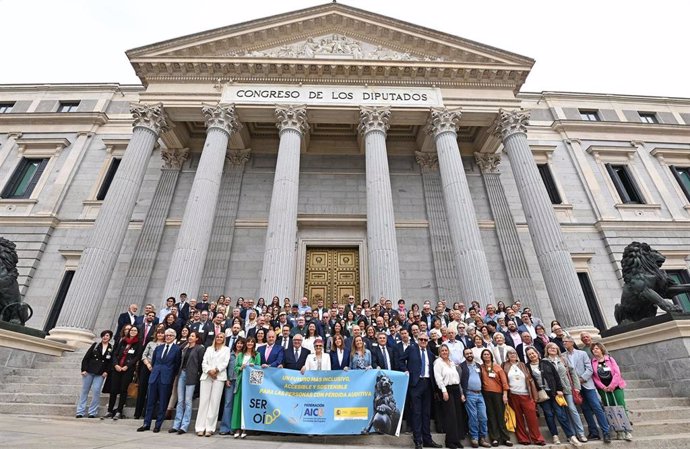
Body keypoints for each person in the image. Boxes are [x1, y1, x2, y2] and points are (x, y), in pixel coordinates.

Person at [525, 347, 581, 447]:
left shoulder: (546, 363)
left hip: (554, 392)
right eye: (529, 354)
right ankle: (555, 436)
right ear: (528, 357)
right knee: (549, 415)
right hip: (542, 394)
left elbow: (556, 376)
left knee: (561, 414)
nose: (532, 355)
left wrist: (559, 389)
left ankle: (571, 436)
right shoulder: (527, 367)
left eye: (533, 353)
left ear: (537, 353)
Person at [563, 336, 611, 443]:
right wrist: (575, 384)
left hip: (587, 384)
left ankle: (606, 431)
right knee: (585, 409)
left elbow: (589, 368)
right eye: (563, 342)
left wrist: (581, 379)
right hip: (575, 388)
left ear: (571, 342)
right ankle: (593, 432)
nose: (564, 343)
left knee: (597, 407)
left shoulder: (582, 354)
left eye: (566, 341)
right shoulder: (563, 356)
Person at [401, 331, 441, 449]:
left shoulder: (430, 353)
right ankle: (418, 440)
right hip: (416, 384)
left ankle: (427, 439)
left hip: (428, 385)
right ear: (417, 340)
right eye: (421, 339)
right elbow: (400, 360)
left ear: (428, 341)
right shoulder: (411, 349)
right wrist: (405, 370)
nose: (423, 341)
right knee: (417, 413)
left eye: (425, 340)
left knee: (426, 414)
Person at [137, 328, 182, 433]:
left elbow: (177, 365)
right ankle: (146, 423)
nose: (168, 337)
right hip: (154, 376)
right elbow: (154, 362)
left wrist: (169, 374)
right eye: (167, 335)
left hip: (166, 378)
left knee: (162, 402)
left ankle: (158, 425)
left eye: (170, 335)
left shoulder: (177, 349)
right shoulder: (159, 348)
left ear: (174, 337)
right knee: (150, 401)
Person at [543, 342, 587, 443]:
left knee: (572, 409)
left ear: (558, 349)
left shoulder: (563, 359)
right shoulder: (545, 361)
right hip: (555, 391)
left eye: (555, 348)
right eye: (550, 348)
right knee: (563, 413)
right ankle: (571, 434)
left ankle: (580, 433)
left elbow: (573, 373)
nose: (552, 349)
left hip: (567, 388)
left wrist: (577, 387)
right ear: (547, 350)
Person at [501, 347, 545, 446]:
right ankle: (523, 439)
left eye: (514, 353)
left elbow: (530, 380)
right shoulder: (504, 365)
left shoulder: (523, 365)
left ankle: (537, 438)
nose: (512, 355)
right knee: (518, 418)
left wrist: (534, 395)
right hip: (513, 395)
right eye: (510, 354)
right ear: (507, 356)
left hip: (526, 394)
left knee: (532, 418)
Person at [591, 342, 632, 441]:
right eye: (593, 349)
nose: (595, 350)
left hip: (616, 386)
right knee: (610, 408)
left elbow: (617, 373)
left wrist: (612, 385)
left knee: (620, 406)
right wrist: (602, 387)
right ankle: (618, 431)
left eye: (597, 348)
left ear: (601, 349)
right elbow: (594, 377)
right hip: (603, 389)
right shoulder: (593, 362)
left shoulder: (610, 359)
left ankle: (627, 430)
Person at [194, 332, 230, 437]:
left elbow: (225, 362)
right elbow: (204, 362)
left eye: (221, 337)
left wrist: (216, 370)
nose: (219, 338)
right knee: (203, 402)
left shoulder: (226, 349)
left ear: (224, 339)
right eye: (218, 336)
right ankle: (200, 427)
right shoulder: (209, 349)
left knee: (214, 403)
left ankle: (209, 428)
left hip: (219, 377)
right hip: (206, 376)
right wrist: (209, 371)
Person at [169, 330, 204, 434]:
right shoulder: (184, 348)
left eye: (192, 336)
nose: (190, 337)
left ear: (197, 338)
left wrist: (198, 375)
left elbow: (200, 363)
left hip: (191, 375)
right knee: (180, 401)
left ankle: (184, 426)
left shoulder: (200, 348)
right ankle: (176, 425)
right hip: (182, 374)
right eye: (190, 336)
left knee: (188, 401)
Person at [433, 343, 466, 449]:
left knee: (457, 415)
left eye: (446, 350)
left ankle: (456, 440)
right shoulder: (438, 363)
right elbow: (438, 378)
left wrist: (461, 393)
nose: (444, 352)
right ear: (439, 352)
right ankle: (449, 441)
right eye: (442, 351)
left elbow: (457, 379)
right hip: (447, 390)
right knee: (450, 416)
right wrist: (444, 391)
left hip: (456, 389)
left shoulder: (452, 363)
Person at [104, 325, 141, 419]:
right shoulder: (123, 341)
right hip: (117, 368)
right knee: (113, 390)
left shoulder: (139, 343)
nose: (133, 331)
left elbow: (137, 357)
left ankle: (119, 411)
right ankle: (109, 410)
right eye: (131, 330)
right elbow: (115, 354)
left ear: (137, 333)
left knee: (123, 390)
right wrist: (115, 364)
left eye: (135, 330)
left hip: (127, 370)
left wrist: (127, 366)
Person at [77, 330, 113, 419]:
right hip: (89, 370)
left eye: (107, 336)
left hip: (100, 373)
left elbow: (110, 362)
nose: (105, 337)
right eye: (104, 335)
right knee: (85, 391)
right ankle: (80, 411)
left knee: (96, 391)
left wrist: (106, 371)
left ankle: (92, 412)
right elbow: (86, 357)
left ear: (110, 337)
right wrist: (83, 369)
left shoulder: (111, 348)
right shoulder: (95, 345)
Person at [479, 349, 512, 447]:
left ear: (491, 356)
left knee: (500, 415)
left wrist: (505, 394)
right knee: (491, 416)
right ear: (482, 356)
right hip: (486, 394)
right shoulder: (481, 367)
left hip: (498, 393)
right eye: (484, 354)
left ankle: (505, 438)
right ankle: (495, 438)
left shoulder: (497, 367)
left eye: (488, 354)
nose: (486, 356)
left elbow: (504, 382)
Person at [459, 347, 491, 448]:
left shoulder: (478, 365)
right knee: (473, 417)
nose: (469, 355)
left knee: (483, 417)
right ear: (464, 355)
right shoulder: (461, 366)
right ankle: (474, 438)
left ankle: (482, 438)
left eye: (470, 353)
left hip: (480, 394)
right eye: (467, 354)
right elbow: (459, 382)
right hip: (469, 394)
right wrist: (462, 394)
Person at [232, 336, 260, 438]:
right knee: (238, 405)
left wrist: (253, 367)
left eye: (252, 342)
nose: (250, 344)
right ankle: (237, 428)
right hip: (240, 382)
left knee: (247, 405)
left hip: (250, 384)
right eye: (248, 342)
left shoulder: (257, 355)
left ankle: (245, 428)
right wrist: (241, 367)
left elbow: (258, 368)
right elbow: (235, 368)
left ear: (254, 344)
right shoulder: (240, 355)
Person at [134, 329, 165, 419]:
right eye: (158, 333)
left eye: (162, 333)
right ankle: (137, 413)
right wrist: (148, 364)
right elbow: (144, 355)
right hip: (146, 367)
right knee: (142, 389)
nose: (160, 334)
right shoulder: (150, 343)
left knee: (152, 391)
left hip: (157, 368)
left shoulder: (165, 345)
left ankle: (147, 413)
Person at [219, 337, 242, 436]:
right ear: (235, 344)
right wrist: (227, 379)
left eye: (241, 344)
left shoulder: (243, 355)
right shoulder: (230, 354)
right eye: (238, 343)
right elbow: (226, 367)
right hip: (230, 381)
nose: (239, 345)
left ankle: (233, 428)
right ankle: (225, 427)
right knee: (228, 404)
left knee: (236, 405)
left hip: (239, 381)